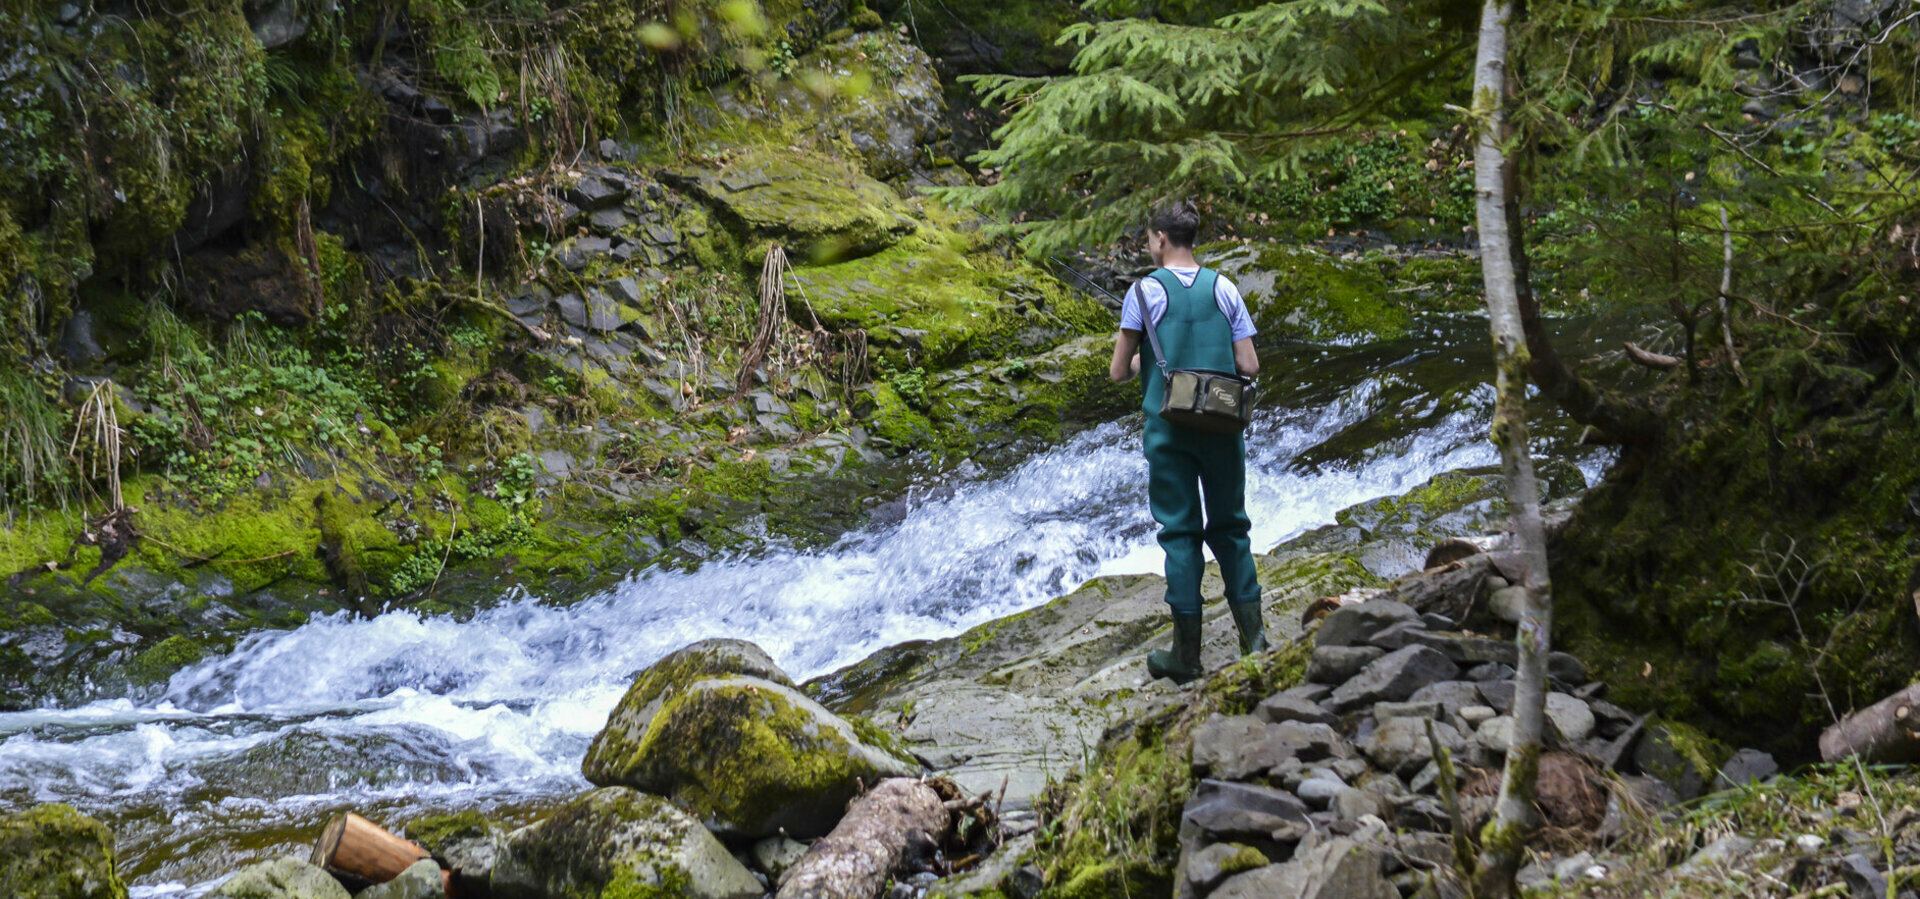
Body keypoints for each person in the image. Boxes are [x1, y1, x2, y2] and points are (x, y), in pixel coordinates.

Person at [1108, 200, 1266, 684]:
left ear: (1159, 238)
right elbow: (1249, 366)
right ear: (1190, 238)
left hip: (1169, 432)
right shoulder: (1225, 288)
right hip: (1221, 429)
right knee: (1232, 530)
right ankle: (1255, 645)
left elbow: (1118, 372)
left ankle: (1187, 657)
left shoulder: (1143, 292)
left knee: (1180, 534)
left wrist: (1146, 366)